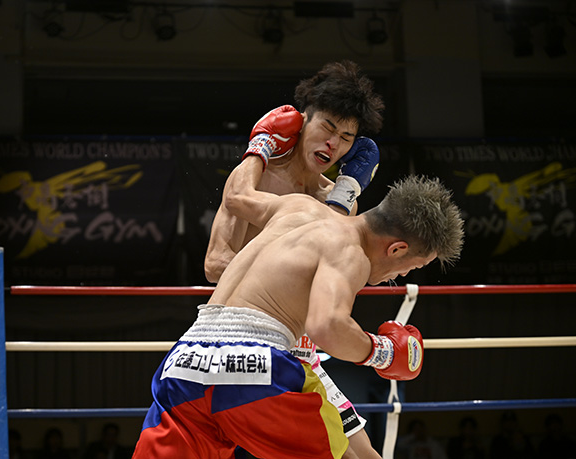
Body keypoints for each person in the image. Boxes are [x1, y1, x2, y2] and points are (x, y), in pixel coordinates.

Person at [132, 154, 464, 458]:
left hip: (185, 362)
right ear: (397, 249)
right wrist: (383, 352)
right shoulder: (351, 251)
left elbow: (236, 197)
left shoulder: (297, 207)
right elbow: (327, 326)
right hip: (255, 367)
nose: (403, 274)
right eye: (413, 266)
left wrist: (260, 149)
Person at [205, 60, 386, 458]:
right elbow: (215, 263)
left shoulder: (337, 199)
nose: (333, 144)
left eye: (346, 137)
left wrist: (345, 194)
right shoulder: (255, 179)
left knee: (366, 455)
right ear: (303, 120)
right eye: (327, 127)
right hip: (250, 343)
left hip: (304, 352)